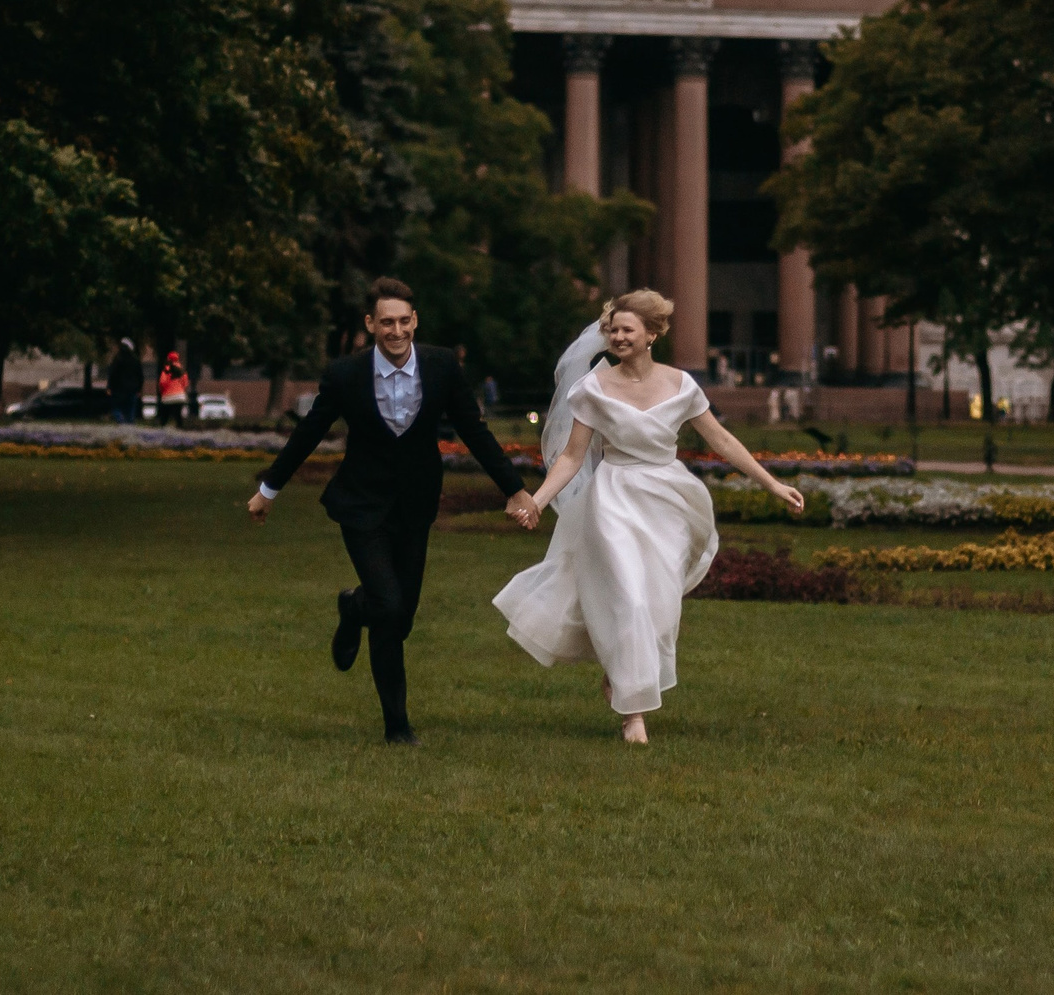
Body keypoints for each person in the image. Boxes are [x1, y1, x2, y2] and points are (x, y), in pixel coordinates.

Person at [493, 289, 808, 746]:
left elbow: (721, 440)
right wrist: (538, 501)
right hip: (613, 498)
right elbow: (571, 457)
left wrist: (773, 483)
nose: (618, 337)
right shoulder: (593, 389)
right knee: (629, 596)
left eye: (628, 330)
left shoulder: (682, 385)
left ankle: (621, 669)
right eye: (613, 329)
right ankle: (633, 713)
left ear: (652, 334)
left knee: (660, 605)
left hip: (669, 500)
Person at [247, 279, 538, 745]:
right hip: (361, 504)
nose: (396, 330)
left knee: (400, 617)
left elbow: (474, 430)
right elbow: (310, 431)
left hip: (416, 505)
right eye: (387, 322)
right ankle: (397, 727)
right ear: (371, 325)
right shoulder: (346, 374)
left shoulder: (442, 366)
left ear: (415, 321)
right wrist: (269, 489)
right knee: (389, 607)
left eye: (404, 321)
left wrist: (515, 490)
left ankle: (352, 606)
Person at [107, 339, 143, 424]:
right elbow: (140, 376)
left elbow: (112, 374)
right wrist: (139, 389)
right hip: (132, 389)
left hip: (118, 389)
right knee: (130, 411)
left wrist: (109, 387)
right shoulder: (135, 360)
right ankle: (129, 427)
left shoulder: (117, 359)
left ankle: (121, 422)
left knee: (116, 408)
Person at [155, 352, 189, 425]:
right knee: (178, 417)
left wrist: (163, 392)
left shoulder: (166, 370)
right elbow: (185, 384)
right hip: (180, 397)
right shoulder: (182, 370)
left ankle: (162, 432)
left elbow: (162, 383)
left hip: (167, 397)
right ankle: (180, 431)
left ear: (168, 359)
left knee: (164, 418)